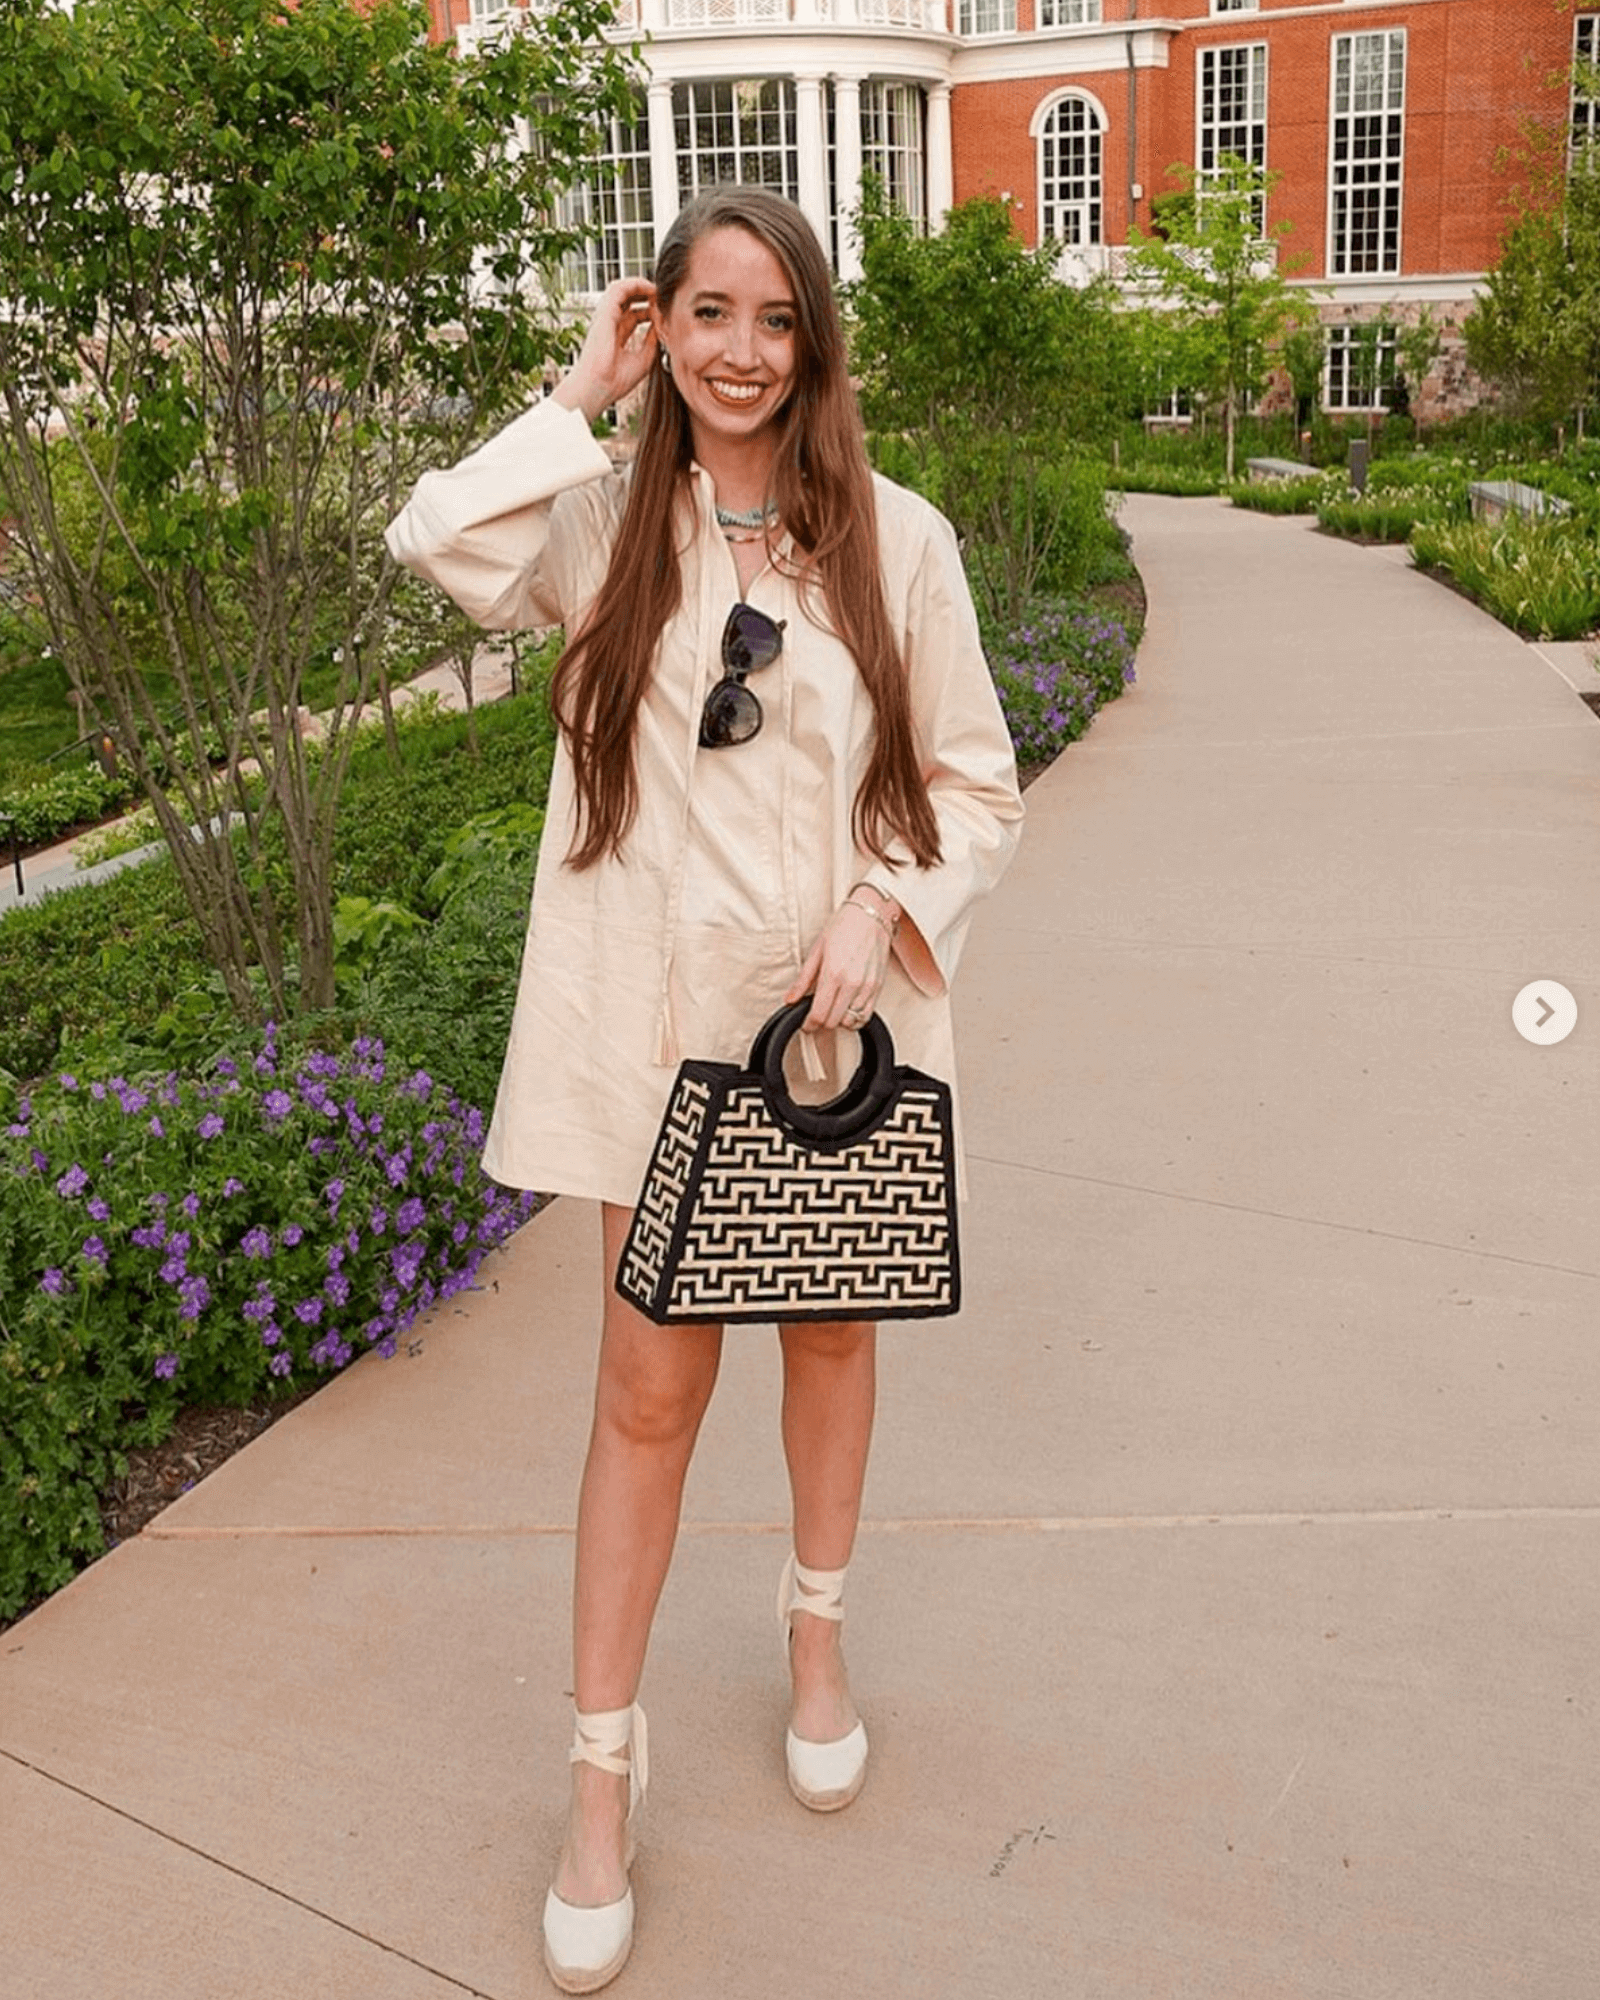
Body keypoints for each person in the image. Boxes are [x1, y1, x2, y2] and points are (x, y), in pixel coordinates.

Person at [385, 184, 1023, 1993]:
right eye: (703, 314)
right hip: (648, 1041)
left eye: (773, 318)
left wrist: (887, 901)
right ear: (662, 325)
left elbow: (976, 783)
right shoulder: (606, 532)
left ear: (816, 340)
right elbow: (435, 540)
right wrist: (582, 390)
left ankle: (814, 1635)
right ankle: (603, 1773)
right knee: (644, 1399)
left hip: (826, 1039)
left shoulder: (897, 544)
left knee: (830, 1339)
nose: (740, 352)